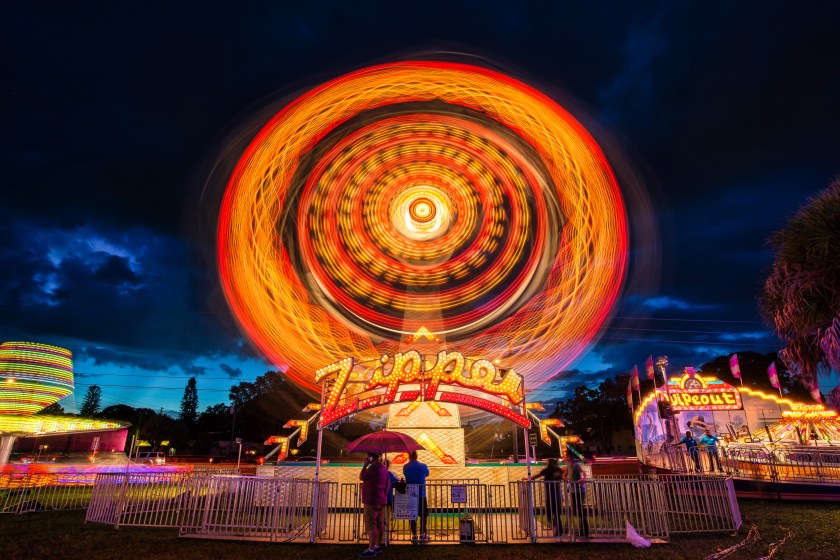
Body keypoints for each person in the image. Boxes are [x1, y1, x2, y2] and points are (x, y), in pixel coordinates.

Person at [358, 453, 388, 557]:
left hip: (371, 500)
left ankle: (371, 549)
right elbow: (387, 484)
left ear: (371, 458)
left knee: (371, 524)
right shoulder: (384, 468)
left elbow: (361, 477)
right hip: (380, 499)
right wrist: (384, 497)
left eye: (368, 457)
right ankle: (377, 546)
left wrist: (365, 465)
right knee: (380, 524)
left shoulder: (373, 468)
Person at [529, 458, 564, 536]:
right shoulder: (559, 470)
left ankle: (556, 526)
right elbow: (564, 472)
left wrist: (528, 479)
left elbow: (537, 476)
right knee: (556, 513)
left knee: (549, 514)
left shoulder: (547, 470)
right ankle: (559, 529)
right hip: (557, 494)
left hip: (551, 495)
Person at [403, 450, 430, 542]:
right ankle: (423, 534)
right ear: (416, 456)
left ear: (409, 456)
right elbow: (427, 474)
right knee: (423, 515)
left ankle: (414, 535)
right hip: (421, 493)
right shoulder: (423, 466)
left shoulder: (405, 467)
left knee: (412, 515)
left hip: (410, 494)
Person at [567, 451, 589, 538]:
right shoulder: (569, 466)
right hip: (573, 490)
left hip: (579, 490)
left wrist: (583, 479)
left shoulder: (576, 465)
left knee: (579, 510)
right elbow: (568, 475)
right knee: (576, 510)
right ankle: (581, 530)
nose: (564, 458)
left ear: (569, 457)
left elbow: (584, 473)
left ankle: (584, 531)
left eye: (566, 456)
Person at [383, 459, 400, 543]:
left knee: (378, 519)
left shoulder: (377, 473)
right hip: (387, 498)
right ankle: (385, 536)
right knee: (386, 518)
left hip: (377, 499)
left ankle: (380, 537)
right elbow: (398, 481)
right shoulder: (389, 474)